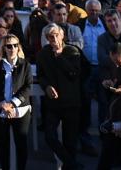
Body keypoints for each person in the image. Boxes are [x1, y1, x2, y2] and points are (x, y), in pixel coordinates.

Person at [36, 23, 82, 170]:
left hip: (71, 103)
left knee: (70, 141)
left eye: (56, 35)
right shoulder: (43, 54)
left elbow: (74, 74)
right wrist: (46, 86)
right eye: (50, 36)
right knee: (50, 136)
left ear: (62, 35)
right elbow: (41, 75)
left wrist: (60, 56)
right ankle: (73, 164)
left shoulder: (73, 51)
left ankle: (70, 165)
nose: (54, 39)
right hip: (53, 104)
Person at [0, 33, 32, 170]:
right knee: (3, 144)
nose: (12, 48)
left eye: (15, 45)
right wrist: (2, 104)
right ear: (4, 48)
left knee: (21, 144)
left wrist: (12, 104)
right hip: (1, 110)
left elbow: (28, 86)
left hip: (20, 110)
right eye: (9, 46)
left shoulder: (25, 64)